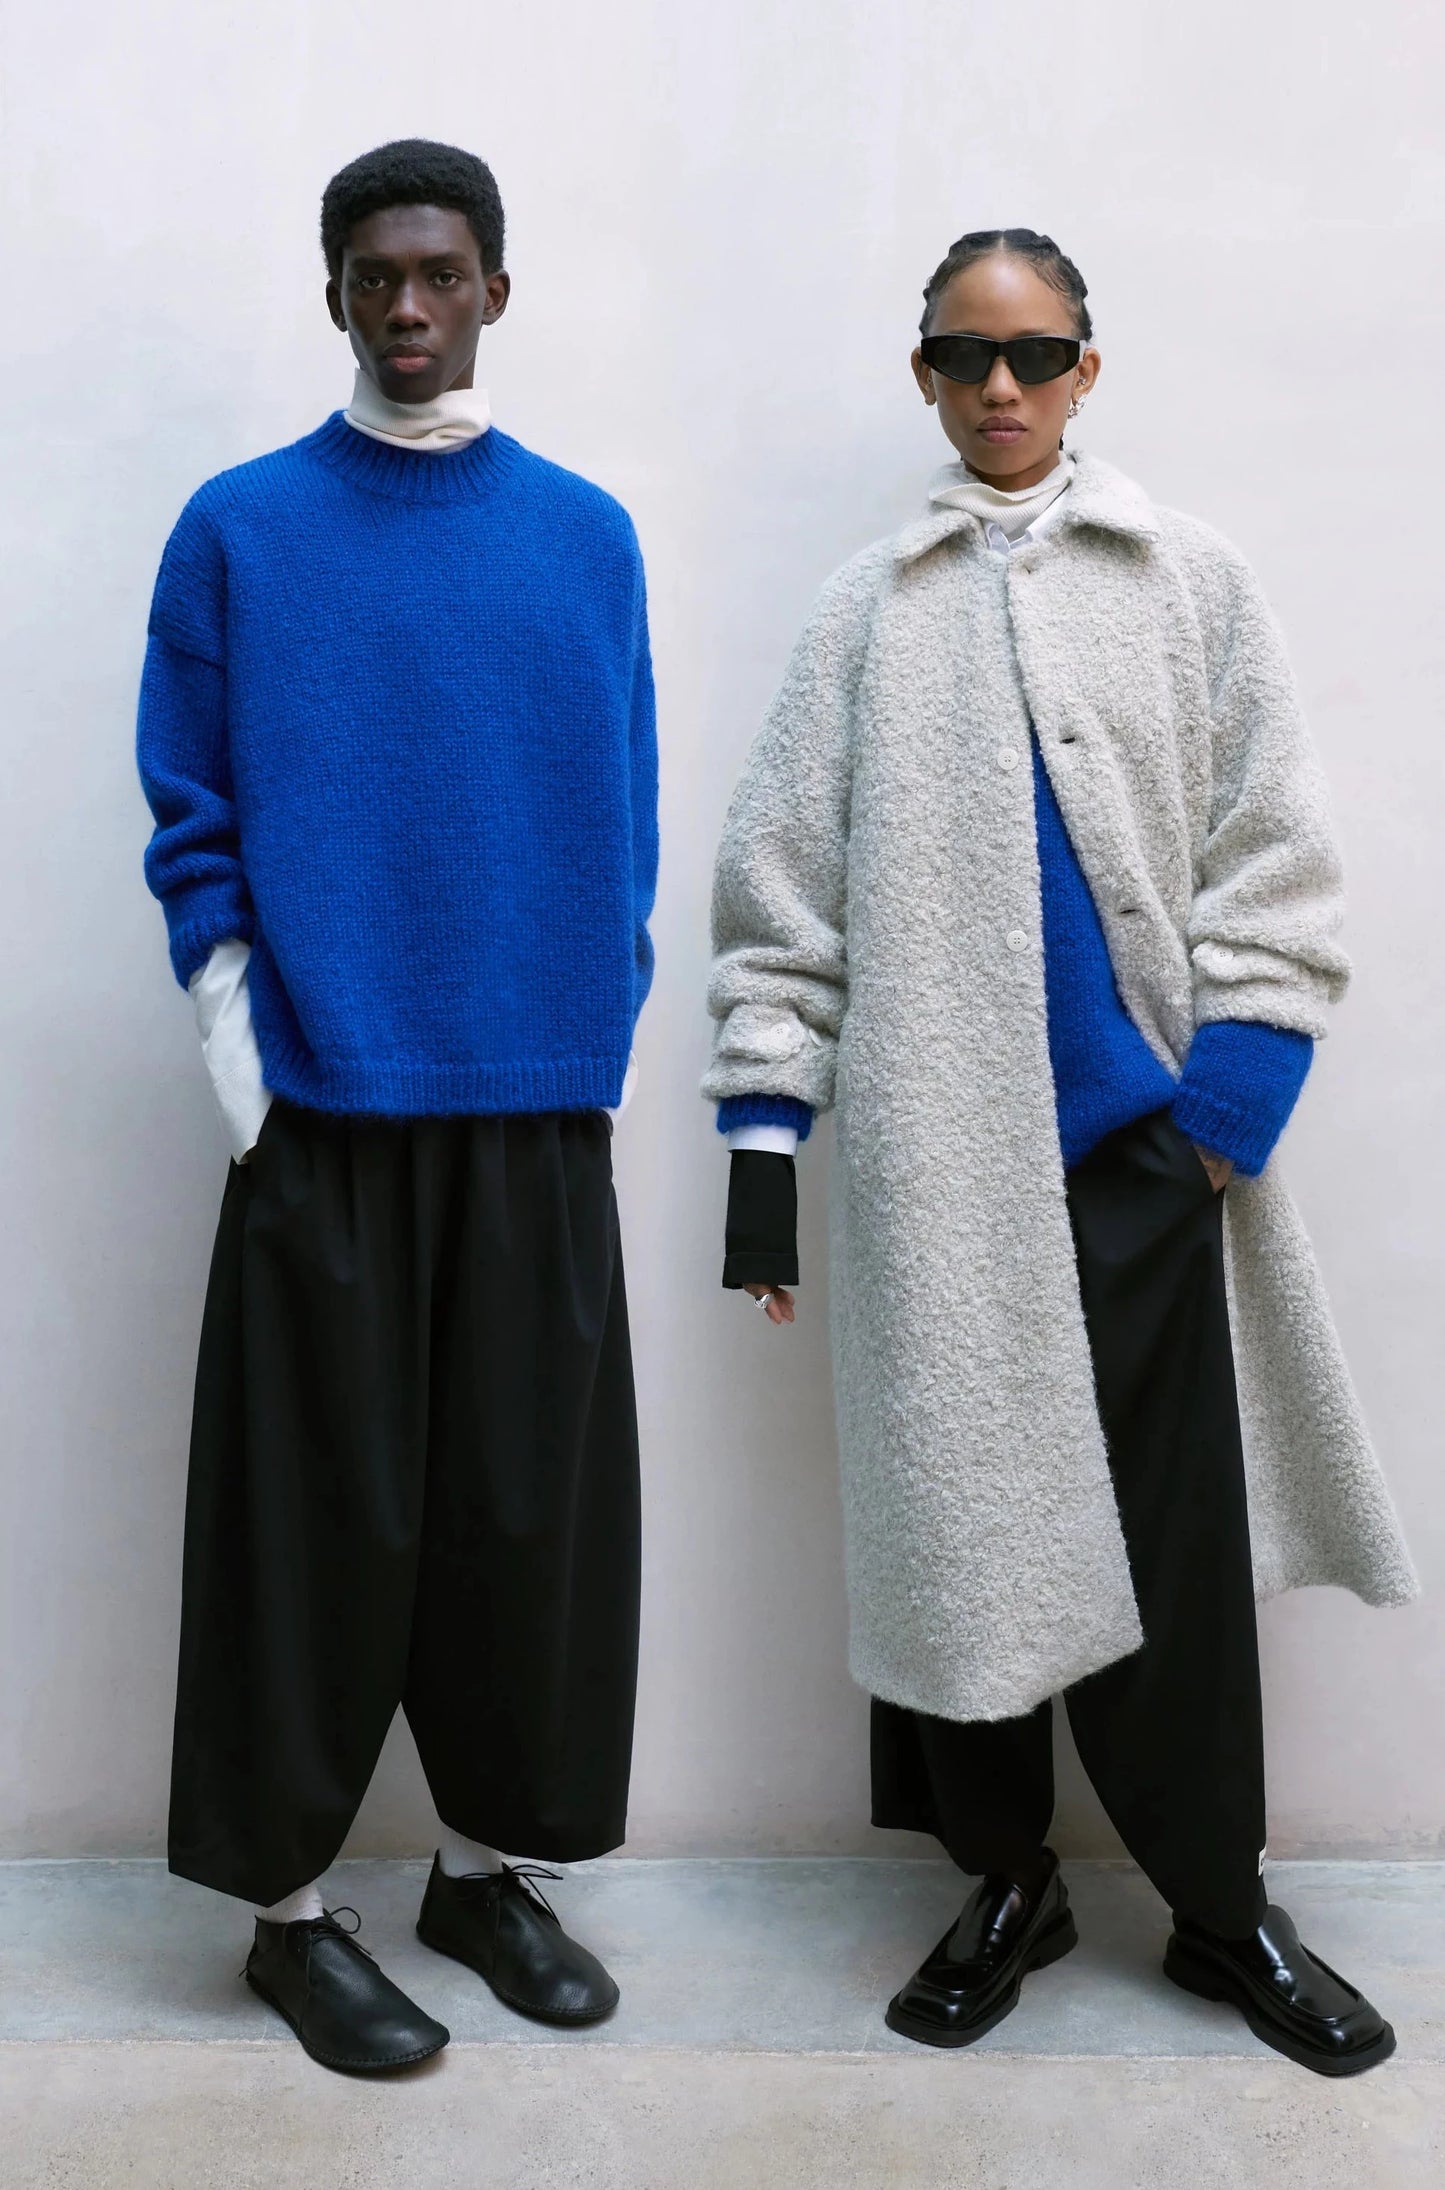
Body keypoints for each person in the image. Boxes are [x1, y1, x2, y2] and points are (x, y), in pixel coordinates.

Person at [703, 227, 1416, 2077]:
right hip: (937, 1180)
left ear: (1088, 365)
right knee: (959, 1540)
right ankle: (1004, 1878)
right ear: (924, 377)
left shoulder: (1187, 580)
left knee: (1169, 1562)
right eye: (965, 356)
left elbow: (1275, 852)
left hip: (1143, 1165)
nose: (1000, 386)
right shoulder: (867, 612)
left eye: (1033, 353)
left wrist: (1218, 1122)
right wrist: (765, 1144)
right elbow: (778, 891)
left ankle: (1217, 1904)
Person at [138, 139, 658, 2075]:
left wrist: (594, 1026)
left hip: (536, 1108)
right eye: (376, 276)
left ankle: (485, 1873)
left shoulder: (585, 534)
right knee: (310, 1526)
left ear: (495, 289)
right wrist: (249, 1069)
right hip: (327, 1105)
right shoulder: (242, 529)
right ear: (336, 296)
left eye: (442, 273)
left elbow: (622, 804)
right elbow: (190, 809)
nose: (410, 306)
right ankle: (286, 1917)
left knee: (527, 1521)